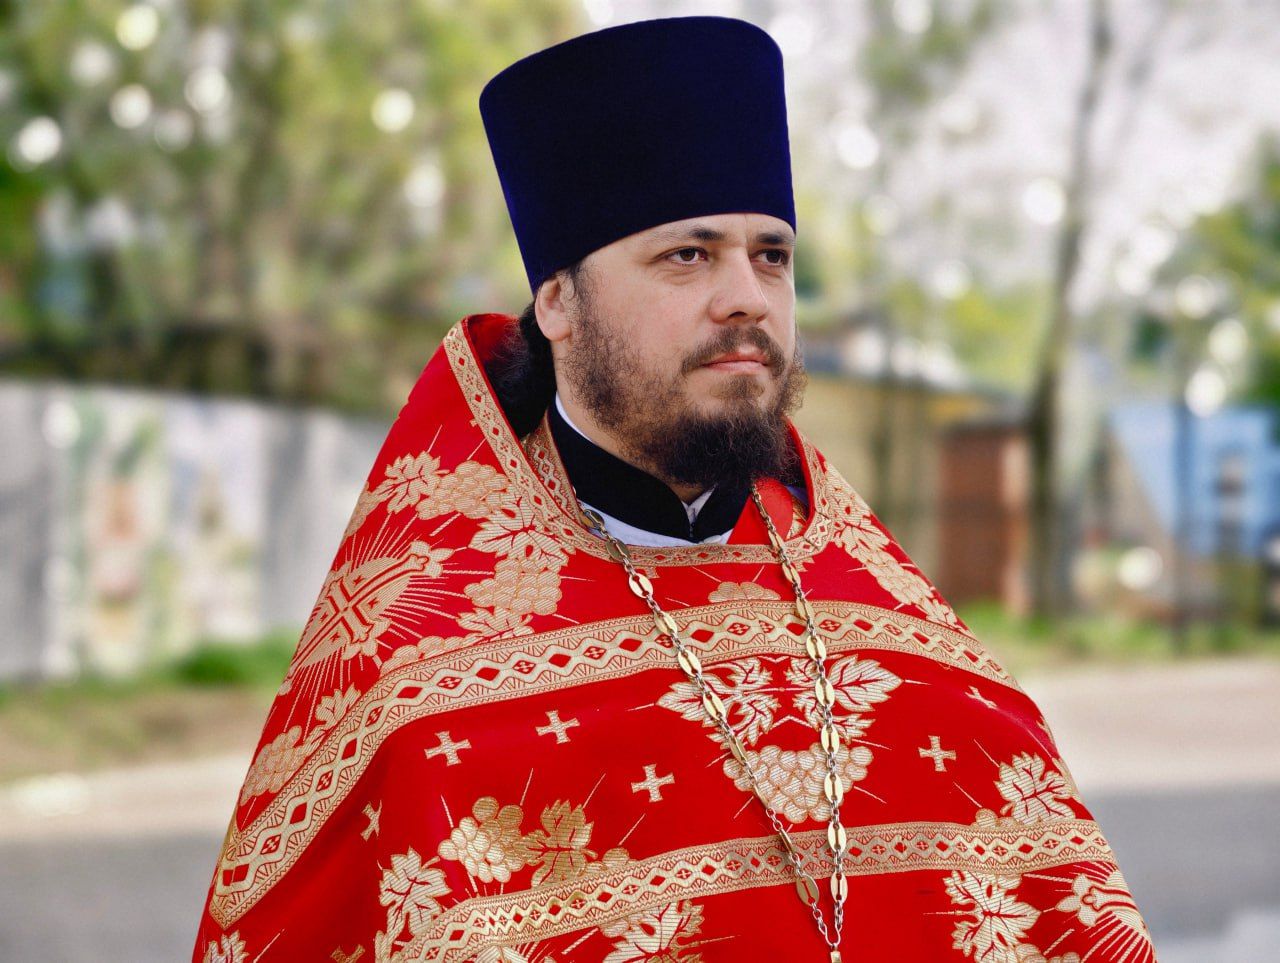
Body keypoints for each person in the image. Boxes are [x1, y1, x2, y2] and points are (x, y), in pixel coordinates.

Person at [191, 16, 1153, 963]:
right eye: (688, 255)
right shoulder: (417, 683)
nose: (748, 297)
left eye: (771, 256)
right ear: (558, 301)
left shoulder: (920, 662)